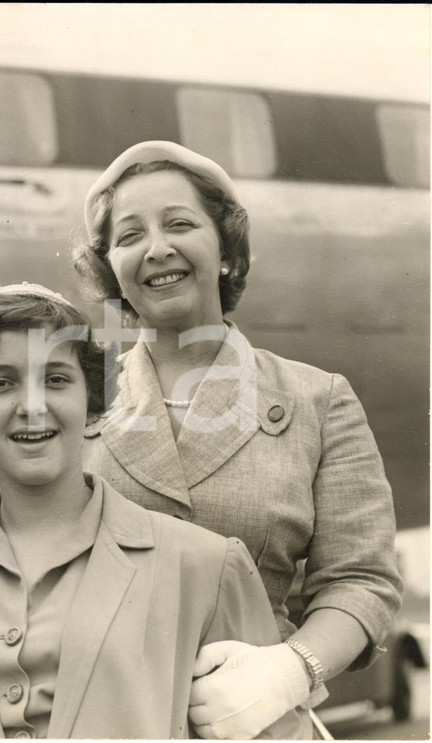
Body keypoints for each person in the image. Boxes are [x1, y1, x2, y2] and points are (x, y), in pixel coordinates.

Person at [73, 141, 403, 738]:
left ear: (226, 251)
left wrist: (290, 670)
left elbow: (361, 581)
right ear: (111, 268)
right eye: (130, 236)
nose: (157, 248)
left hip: (259, 724)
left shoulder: (319, 399)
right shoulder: (78, 402)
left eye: (179, 224)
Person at [0, 284, 306, 739]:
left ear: (92, 399)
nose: (32, 406)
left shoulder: (207, 566)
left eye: (56, 380)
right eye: (1, 383)